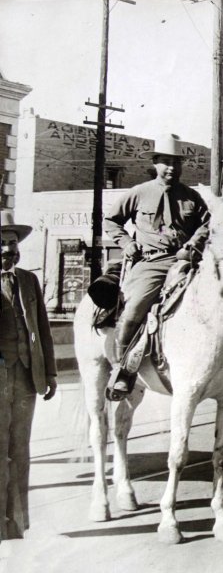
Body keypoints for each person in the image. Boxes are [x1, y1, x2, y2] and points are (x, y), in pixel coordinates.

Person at [102, 133, 210, 400]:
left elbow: (208, 225)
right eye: (165, 162)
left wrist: (193, 245)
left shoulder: (192, 197)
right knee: (134, 308)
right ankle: (121, 371)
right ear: (155, 163)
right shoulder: (139, 193)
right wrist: (126, 242)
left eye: (176, 162)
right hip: (152, 262)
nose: (171, 167)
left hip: (187, 261)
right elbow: (112, 220)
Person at [0, 210, 57, 539]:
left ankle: (18, 522)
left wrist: (49, 372)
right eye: (2, 243)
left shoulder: (28, 279)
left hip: (26, 376)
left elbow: (44, 331)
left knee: (21, 449)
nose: (8, 250)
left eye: (12, 243)